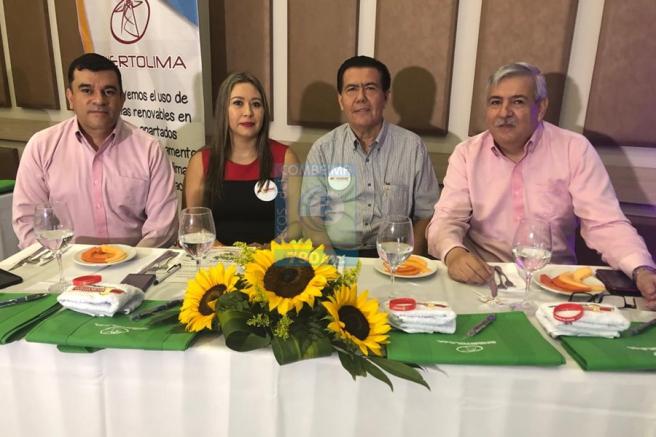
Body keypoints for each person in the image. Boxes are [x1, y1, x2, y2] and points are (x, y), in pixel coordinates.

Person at [427, 62, 656, 308]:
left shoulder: (574, 150)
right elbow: (447, 219)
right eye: (495, 102)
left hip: (556, 285)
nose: (504, 112)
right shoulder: (467, 154)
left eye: (517, 102)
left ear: (541, 107)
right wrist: (454, 253)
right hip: (485, 281)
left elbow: (605, 224)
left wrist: (641, 270)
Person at [12, 53, 177, 248]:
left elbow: (162, 227)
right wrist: (59, 261)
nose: (99, 100)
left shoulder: (149, 150)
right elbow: (28, 221)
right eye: (87, 90)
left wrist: (133, 261)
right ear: (70, 98)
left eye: (109, 91)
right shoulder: (41, 147)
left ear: (122, 99)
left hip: (136, 262)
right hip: (62, 262)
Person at [301, 56, 439, 257]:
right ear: (340, 100)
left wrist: (410, 263)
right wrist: (332, 265)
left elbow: (426, 215)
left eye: (370, 88)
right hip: (338, 255)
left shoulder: (413, 147)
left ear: (386, 97)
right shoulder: (322, 150)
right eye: (351, 89)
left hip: (395, 255)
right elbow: (312, 219)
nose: (361, 98)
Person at [184, 72, 301, 246]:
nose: (248, 112)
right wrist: (225, 253)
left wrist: (268, 250)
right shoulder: (201, 161)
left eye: (256, 104)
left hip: (270, 257)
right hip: (216, 257)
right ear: (223, 110)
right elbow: (194, 225)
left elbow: (296, 225)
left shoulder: (285, 158)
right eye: (238, 103)